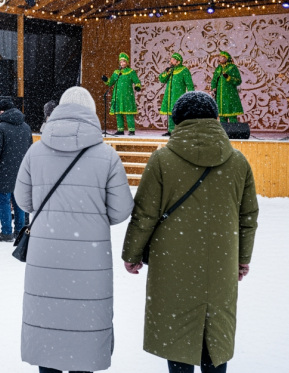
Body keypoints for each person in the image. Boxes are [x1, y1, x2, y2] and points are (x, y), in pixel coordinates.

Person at [121, 91, 259, 373]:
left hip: (173, 264)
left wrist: (132, 253)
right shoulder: (237, 161)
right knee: (215, 336)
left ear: (177, 120)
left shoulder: (162, 160)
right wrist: (243, 257)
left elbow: (144, 215)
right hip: (221, 264)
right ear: (215, 119)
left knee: (179, 337)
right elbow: (248, 217)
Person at [14, 86, 133, 373]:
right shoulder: (107, 155)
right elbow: (121, 209)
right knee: (85, 320)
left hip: (45, 251)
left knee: (47, 317)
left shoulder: (35, 150)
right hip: (90, 254)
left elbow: (24, 200)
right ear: (91, 111)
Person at [0, 99, 32, 242]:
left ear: (2, 111)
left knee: (3, 201)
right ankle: (20, 231)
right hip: (22, 171)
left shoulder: (0, 128)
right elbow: (30, 150)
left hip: (3, 170)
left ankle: (6, 232)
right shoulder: (26, 127)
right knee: (19, 201)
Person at [102, 52, 142, 136]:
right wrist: (106, 80)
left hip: (127, 96)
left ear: (127, 62)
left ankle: (131, 130)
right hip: (118, 96)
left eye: (124, 61)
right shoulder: (116, 72)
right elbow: (110, 83)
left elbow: (137, 81)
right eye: (120, 62)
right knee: (118, 113)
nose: (122, 63)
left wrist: (137, 86)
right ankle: (120, 129)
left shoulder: (131, 72)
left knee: (128, 113)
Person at [159, 52, 195, 136]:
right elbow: (162, 79)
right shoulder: (171, 70)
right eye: (171, 59)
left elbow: (189, 84)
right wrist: (166, 72)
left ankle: (180, 130)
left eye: (173, 60)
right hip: (169, 95)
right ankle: (171, 131)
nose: (171, 61)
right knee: (170, 112)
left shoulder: (184, 70)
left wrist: (191, 95)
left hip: (178, 95)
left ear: (178, 61)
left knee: (178, 112)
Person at [211, 51, 244, 123]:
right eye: (219, 57)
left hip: (230, 94)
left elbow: (238, 80)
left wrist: (228, 77)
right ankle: (223, 132)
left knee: (232, 115)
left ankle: (234, 132)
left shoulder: (232, 67)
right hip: (220, 95)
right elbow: (214, 79)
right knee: (222, 116)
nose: (220, 58)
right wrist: (213, 87)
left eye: (222, 57)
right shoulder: (218, 69)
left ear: (227, 58)